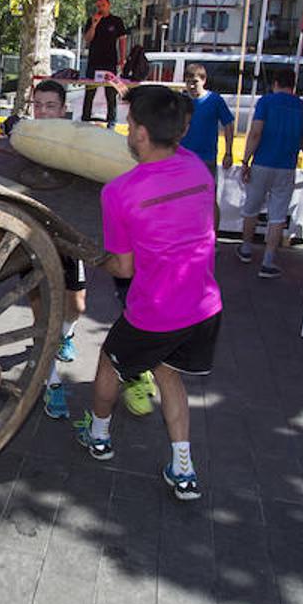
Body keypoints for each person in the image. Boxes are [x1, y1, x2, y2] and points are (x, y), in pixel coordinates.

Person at [73, 84, 220, 502]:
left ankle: (99, 436)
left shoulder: (119, 192)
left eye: (129, 124)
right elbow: (212, 217)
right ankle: (184, 468)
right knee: (168, 374)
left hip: (155, 310)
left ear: (139, 133)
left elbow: (123, 267)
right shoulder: (197, 167)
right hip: (204, 304)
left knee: (108, 364)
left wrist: (89, 254)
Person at [21, 81, 88, 418]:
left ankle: (66, 334)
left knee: (76, 304)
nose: (43, 111)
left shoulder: (78, 144)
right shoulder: (23, 138)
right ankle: (52, 382)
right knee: (42, 312)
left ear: (63, 109)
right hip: (30, 239)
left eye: (50, 106)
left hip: (67, 238)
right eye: (38, 104)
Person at [237, 68, 303, 278]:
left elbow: (255, 133)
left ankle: (245, 249)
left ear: (276, 83)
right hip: (287, 166)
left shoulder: (266, 102)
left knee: (251, 207)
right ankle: (268, 260)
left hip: (263, 162)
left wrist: (246, 160)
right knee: (277, 215)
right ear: (294, 85)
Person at [179, 61, 235, 181]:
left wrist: (228, 152)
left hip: (206, 158)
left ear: (204, 80)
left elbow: (229, 125)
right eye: (188, 82)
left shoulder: (215, 100)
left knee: (206, 195)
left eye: (195, 82)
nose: (191, 86)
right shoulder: (180, 101)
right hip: (183, 157)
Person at [80, 0, 127, 122]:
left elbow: (122, 40)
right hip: (94, 62)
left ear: (109, 5)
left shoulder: (116, 21)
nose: (101, 8)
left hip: (109, 62)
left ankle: (111, 121)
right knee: (89, 93)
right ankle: (85, 119)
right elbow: (87, 39)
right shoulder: (92, 20)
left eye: (103, 6)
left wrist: (122, 59)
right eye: (99, 6)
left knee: (111, 94)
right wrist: (94, 25)